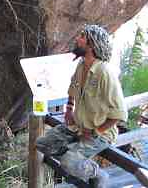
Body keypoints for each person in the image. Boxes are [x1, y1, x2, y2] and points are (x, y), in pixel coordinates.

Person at [36, 24, 128, 188]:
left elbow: (120, 114)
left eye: (82, 37)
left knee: (68, 163)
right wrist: (69, 109)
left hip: (100, 133)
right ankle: (75, 161)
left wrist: (96, 131)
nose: (77, 39)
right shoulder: (80, 65)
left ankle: (98, 174)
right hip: (77, 126)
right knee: (42, 143)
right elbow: (72, 88)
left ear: (91, 45)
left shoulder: (105, 73)